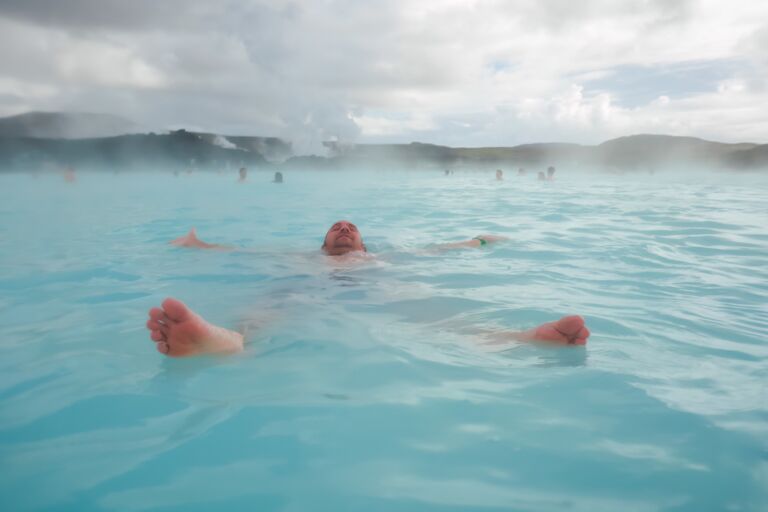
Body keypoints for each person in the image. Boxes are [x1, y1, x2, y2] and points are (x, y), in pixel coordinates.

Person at [148, 221, 590, 357]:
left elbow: (437, 249)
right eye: (336, 229)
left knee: (431, 316)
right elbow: (240, 249)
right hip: (310, 286)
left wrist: (479, 240)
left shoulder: (378, 260)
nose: (343, 230)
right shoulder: (305, 260)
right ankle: (224, 341)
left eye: (351, 229)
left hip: (376, 286)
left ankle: (524, 340)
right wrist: (199, 244)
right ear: (322, 243)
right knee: (272, 307)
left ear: (362, 244)